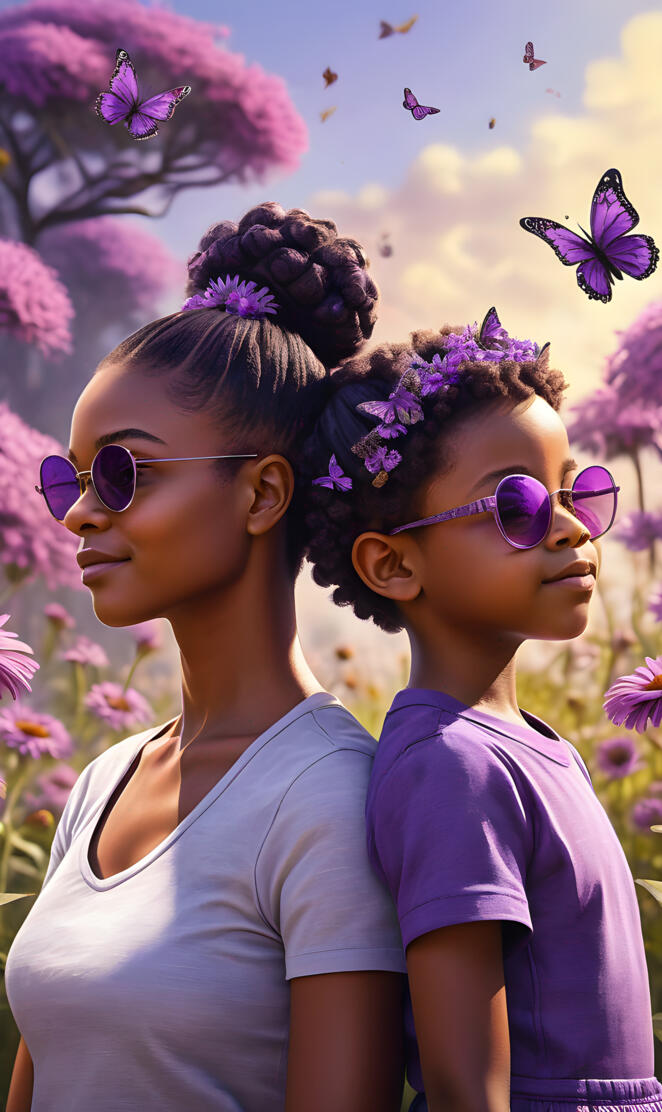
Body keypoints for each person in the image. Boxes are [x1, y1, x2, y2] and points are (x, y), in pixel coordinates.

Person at [4, 202, 408, 1112]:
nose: (76, 513)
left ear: (263, 493)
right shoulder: (107, 777)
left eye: (122, 474)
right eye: (70, 477)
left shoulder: (331, 799)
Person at [298, 309, 662, 1112]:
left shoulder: (529, 744)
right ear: (392, 563)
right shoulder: (449, 766)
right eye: (517, 507)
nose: (569, 529)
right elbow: (470, 1087)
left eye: (573, 492)